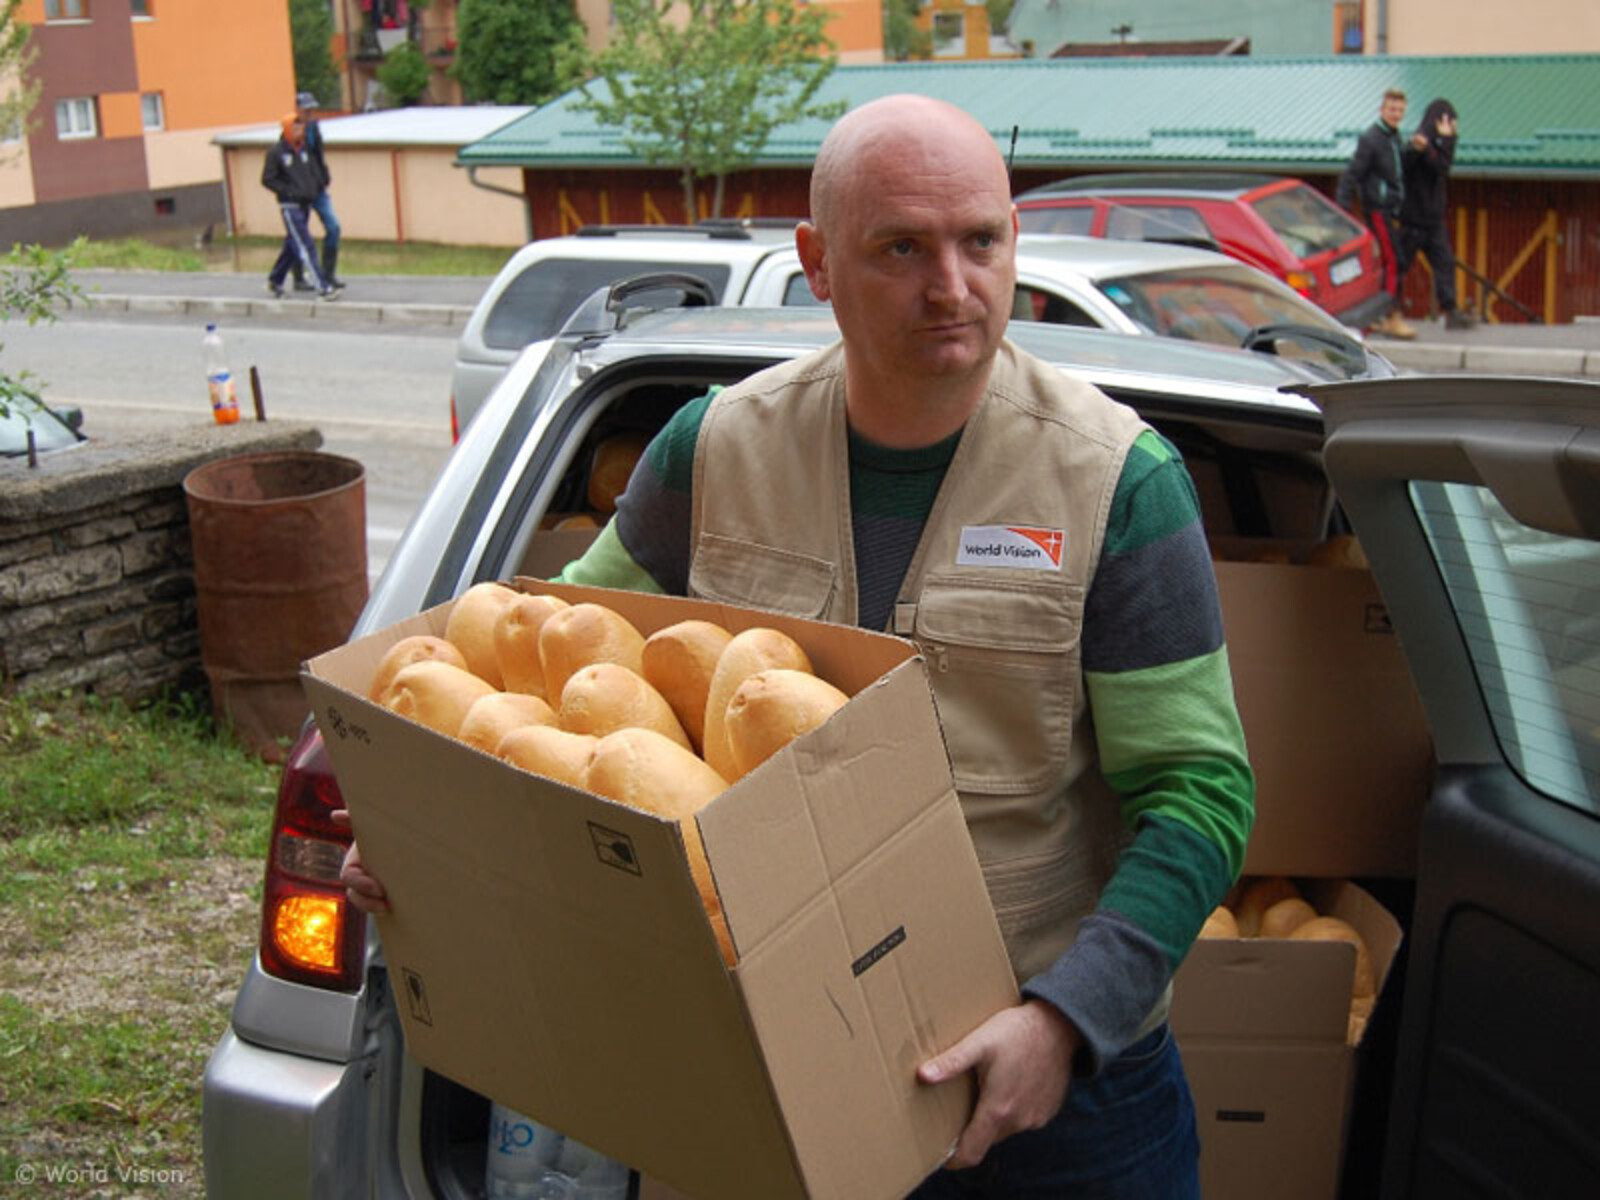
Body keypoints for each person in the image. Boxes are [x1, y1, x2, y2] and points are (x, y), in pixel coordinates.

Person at [341, 94, 1254, 1198]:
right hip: (765, 1064)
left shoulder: (1118, 482)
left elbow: (1200, 795)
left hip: (1052, 1098)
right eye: (901, 248)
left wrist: (1068, 1020)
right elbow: (538, 676)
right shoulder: (711, 451)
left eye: (982, 241)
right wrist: (431, 826)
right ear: (816, 263)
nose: (953, 287)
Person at [1337, 88, 1415, 339]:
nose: (1396, 114)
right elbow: (1353, 173)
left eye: (1400, 110)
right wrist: (1343, 207)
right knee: (1394, 260)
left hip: (1392, 208)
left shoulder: (1394, 138)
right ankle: (1389, 315)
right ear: (1382, 110)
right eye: (1392, 109)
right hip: (1378, 208)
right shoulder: (1372, 139)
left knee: (1393, 260)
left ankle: (1385, 313)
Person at [1399, 98, 1473, 330]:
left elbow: (1443, 164)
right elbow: (1437, 165)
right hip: (1413, 219)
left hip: (1433, 220)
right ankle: (1388, 312)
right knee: (1399, 266)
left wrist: (1445, 140)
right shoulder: (1419, 141)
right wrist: (1442, 141)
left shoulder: (1439, 142)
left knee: (1444, 264)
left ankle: (1450, 310)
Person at [261, 114, 339, 300]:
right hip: (290, 205)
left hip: (305, 203)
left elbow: (313, 173)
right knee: (305, 244)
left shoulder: (305, 151)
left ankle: (275, 280)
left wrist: (315, 188)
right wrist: (288, 192)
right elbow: (267, 179)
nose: (299, 132)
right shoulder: (276, 152)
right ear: (286, 130)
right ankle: (323, 287)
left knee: (292, 244)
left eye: (301, 129)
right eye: (295, 129)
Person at [290, 91, 345, 293]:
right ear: (297, 109)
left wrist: (324, 176)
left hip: (318, 189)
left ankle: (328, 274)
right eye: (306, 109)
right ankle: (298, 277)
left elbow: (319, 157)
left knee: (333, 227)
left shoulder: (314, 129)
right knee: (299, 234)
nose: (310, 113)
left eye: (312, 109)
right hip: (299, 192)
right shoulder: (289, 133)